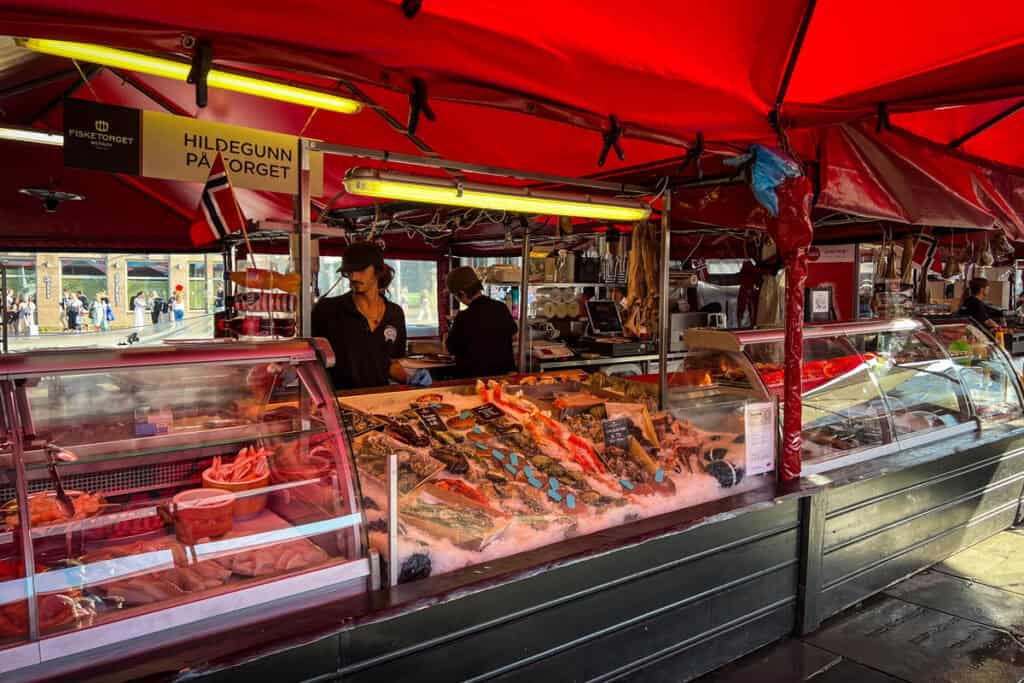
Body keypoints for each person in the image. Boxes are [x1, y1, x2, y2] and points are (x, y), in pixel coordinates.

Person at [311, 242, 430, 390]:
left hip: (379, 400)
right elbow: (311, 361)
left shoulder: (395, 314)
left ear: (378, 270)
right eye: (349, 271)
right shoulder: (327, 310)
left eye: (360, 270)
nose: (353, 277)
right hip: (339, 401)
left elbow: (389, 363)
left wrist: (410, 378)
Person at [445, 266, 518, 378]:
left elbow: (450, 349)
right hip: (503, 377)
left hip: (474, 381)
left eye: (456, 296)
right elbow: (514, 335)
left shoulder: (463, 317)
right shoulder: (501, 308)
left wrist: (446, 334)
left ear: (462, 293)